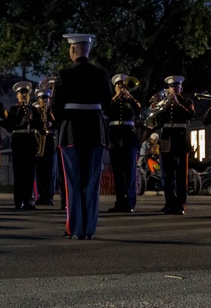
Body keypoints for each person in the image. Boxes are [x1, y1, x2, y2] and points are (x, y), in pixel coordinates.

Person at [51, 33, 112, 239]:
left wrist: (64, 121)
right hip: (95, 130)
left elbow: (55, 107)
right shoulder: (101, 73)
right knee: (92, 182)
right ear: (88, 50)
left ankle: (75, 229)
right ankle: (89, 230)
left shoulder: (64, 73)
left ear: (72, 50)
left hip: (71, 132)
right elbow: (108, 104)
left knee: (73, 182)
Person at [150, 75, 196, 216]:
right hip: (165, 141)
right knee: (166, 175)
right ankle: (169, 203)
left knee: (181, 175)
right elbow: (155, 122)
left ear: (181, 88)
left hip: (181, 140)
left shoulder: (186, 101)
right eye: (171, 87)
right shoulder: (163, 103)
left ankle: (181, 204)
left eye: (177, 86)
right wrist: (157, 108)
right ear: (168, 89)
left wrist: (177, 103)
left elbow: (190, 115)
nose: (174, 89)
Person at [106, 74, 142, 213]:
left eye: (123, 85)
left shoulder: (131, 101)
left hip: (129, 137)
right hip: (115, 137)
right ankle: (120, 201)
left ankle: (130, 202)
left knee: (129, 171)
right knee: (118, 172)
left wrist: (130, 97)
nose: (121, 87)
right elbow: (106, 109)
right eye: (118, 85)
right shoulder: (112, 101)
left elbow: (138, 110)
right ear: (114, 87)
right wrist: (116, 97)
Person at [8, 81, 39, 209]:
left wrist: (33, 120)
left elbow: (40, 126)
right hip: (19, 140)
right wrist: (21, 122)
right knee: (19, 172)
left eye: (26, 93)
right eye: (21, 94)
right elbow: (9, 126)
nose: (24, 96)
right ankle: (18, 200)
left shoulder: (34, 109)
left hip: (30, 140)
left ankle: (27, 200)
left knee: (29, 173)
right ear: (17, 96)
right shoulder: (13, 109)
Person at [33, 87, 58, 206]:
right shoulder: (35, 111)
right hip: (38, 141)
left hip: (50, 142)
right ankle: (40, 195)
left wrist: (51, 124)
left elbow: (58, 124)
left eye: (46, 98)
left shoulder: (52, 111)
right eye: (42, 98)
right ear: (38, 99)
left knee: (50, 171)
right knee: (39, 171)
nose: (44, 100)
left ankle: (49, 196)